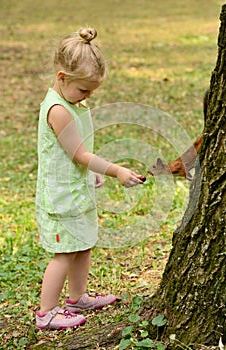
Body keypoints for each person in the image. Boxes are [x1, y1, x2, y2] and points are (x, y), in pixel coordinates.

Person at [35, 27, 145, 330]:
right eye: (84, 90)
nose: (88, 96)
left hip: (76, 189)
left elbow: (78, 152)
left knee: (82, 244)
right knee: (64, 253)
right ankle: (46, 312)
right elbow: (79, 154)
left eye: (92, 91)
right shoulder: (58, 110)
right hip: (61, 196)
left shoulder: (73, 102)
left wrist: (92, 175)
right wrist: (116, 170)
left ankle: (78, 296)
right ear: (62, 78)